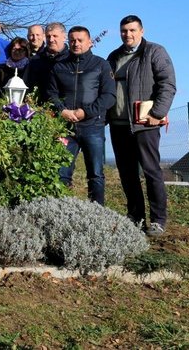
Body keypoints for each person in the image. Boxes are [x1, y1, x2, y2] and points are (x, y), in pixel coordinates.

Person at [107, 15, 176, 236]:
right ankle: (135, 217)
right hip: (118, 125)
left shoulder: (154, 52)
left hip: (145, 125)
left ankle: (158, 220)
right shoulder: (113, 56)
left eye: (132, 30)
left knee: (151, 171)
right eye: (124, 31)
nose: (128, 34)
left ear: (142, 31)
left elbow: (168, 84)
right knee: (127, 174)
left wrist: (158, 113)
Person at [48, 26, 116, 205]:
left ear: (89, 42)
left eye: (80, 40)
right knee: (61, 172)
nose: (76, 44)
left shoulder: (101, 65)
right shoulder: (59, 66)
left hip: (92, 126)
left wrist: (85, 112)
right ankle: (60, 210)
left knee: (95, 174)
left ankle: (97, 212)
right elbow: (51, 94)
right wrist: (62, 110)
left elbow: (109, 96)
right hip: (65, 127)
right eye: (72, 41)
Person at [25, 22, 69, 103]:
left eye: (55, 36)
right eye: (48, 36)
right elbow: (28, 85)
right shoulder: (35, 61)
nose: (51, 40)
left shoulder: (71, 60)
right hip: (42, 110)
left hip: (67, 109)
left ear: (64, 37)